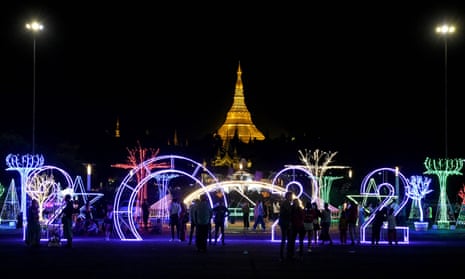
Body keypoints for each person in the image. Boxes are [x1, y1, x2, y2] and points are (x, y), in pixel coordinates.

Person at [278, 191, 293, 262]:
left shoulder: (286, 203)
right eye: (291, 196)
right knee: (286, 239)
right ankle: (285, 256)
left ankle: (285, 255)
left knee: (286, 239)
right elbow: (288, 213)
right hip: (285, 223)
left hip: (284, 223)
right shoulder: (286, 203)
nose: (292, 197)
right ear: (287, 196)